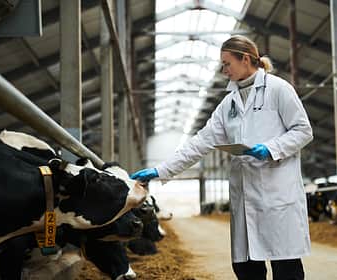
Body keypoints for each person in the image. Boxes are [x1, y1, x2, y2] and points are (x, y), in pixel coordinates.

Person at [130, 35, 313, 280]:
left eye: (227, 63)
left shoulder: (279, 90)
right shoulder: (228, 105)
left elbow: (303, 131)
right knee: (246, 270)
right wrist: (160, 170)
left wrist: (271, 149)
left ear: (245, 59)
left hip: (277, 197)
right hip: (245, 199)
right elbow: (199, 143)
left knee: (286, 270)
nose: (223, 70)